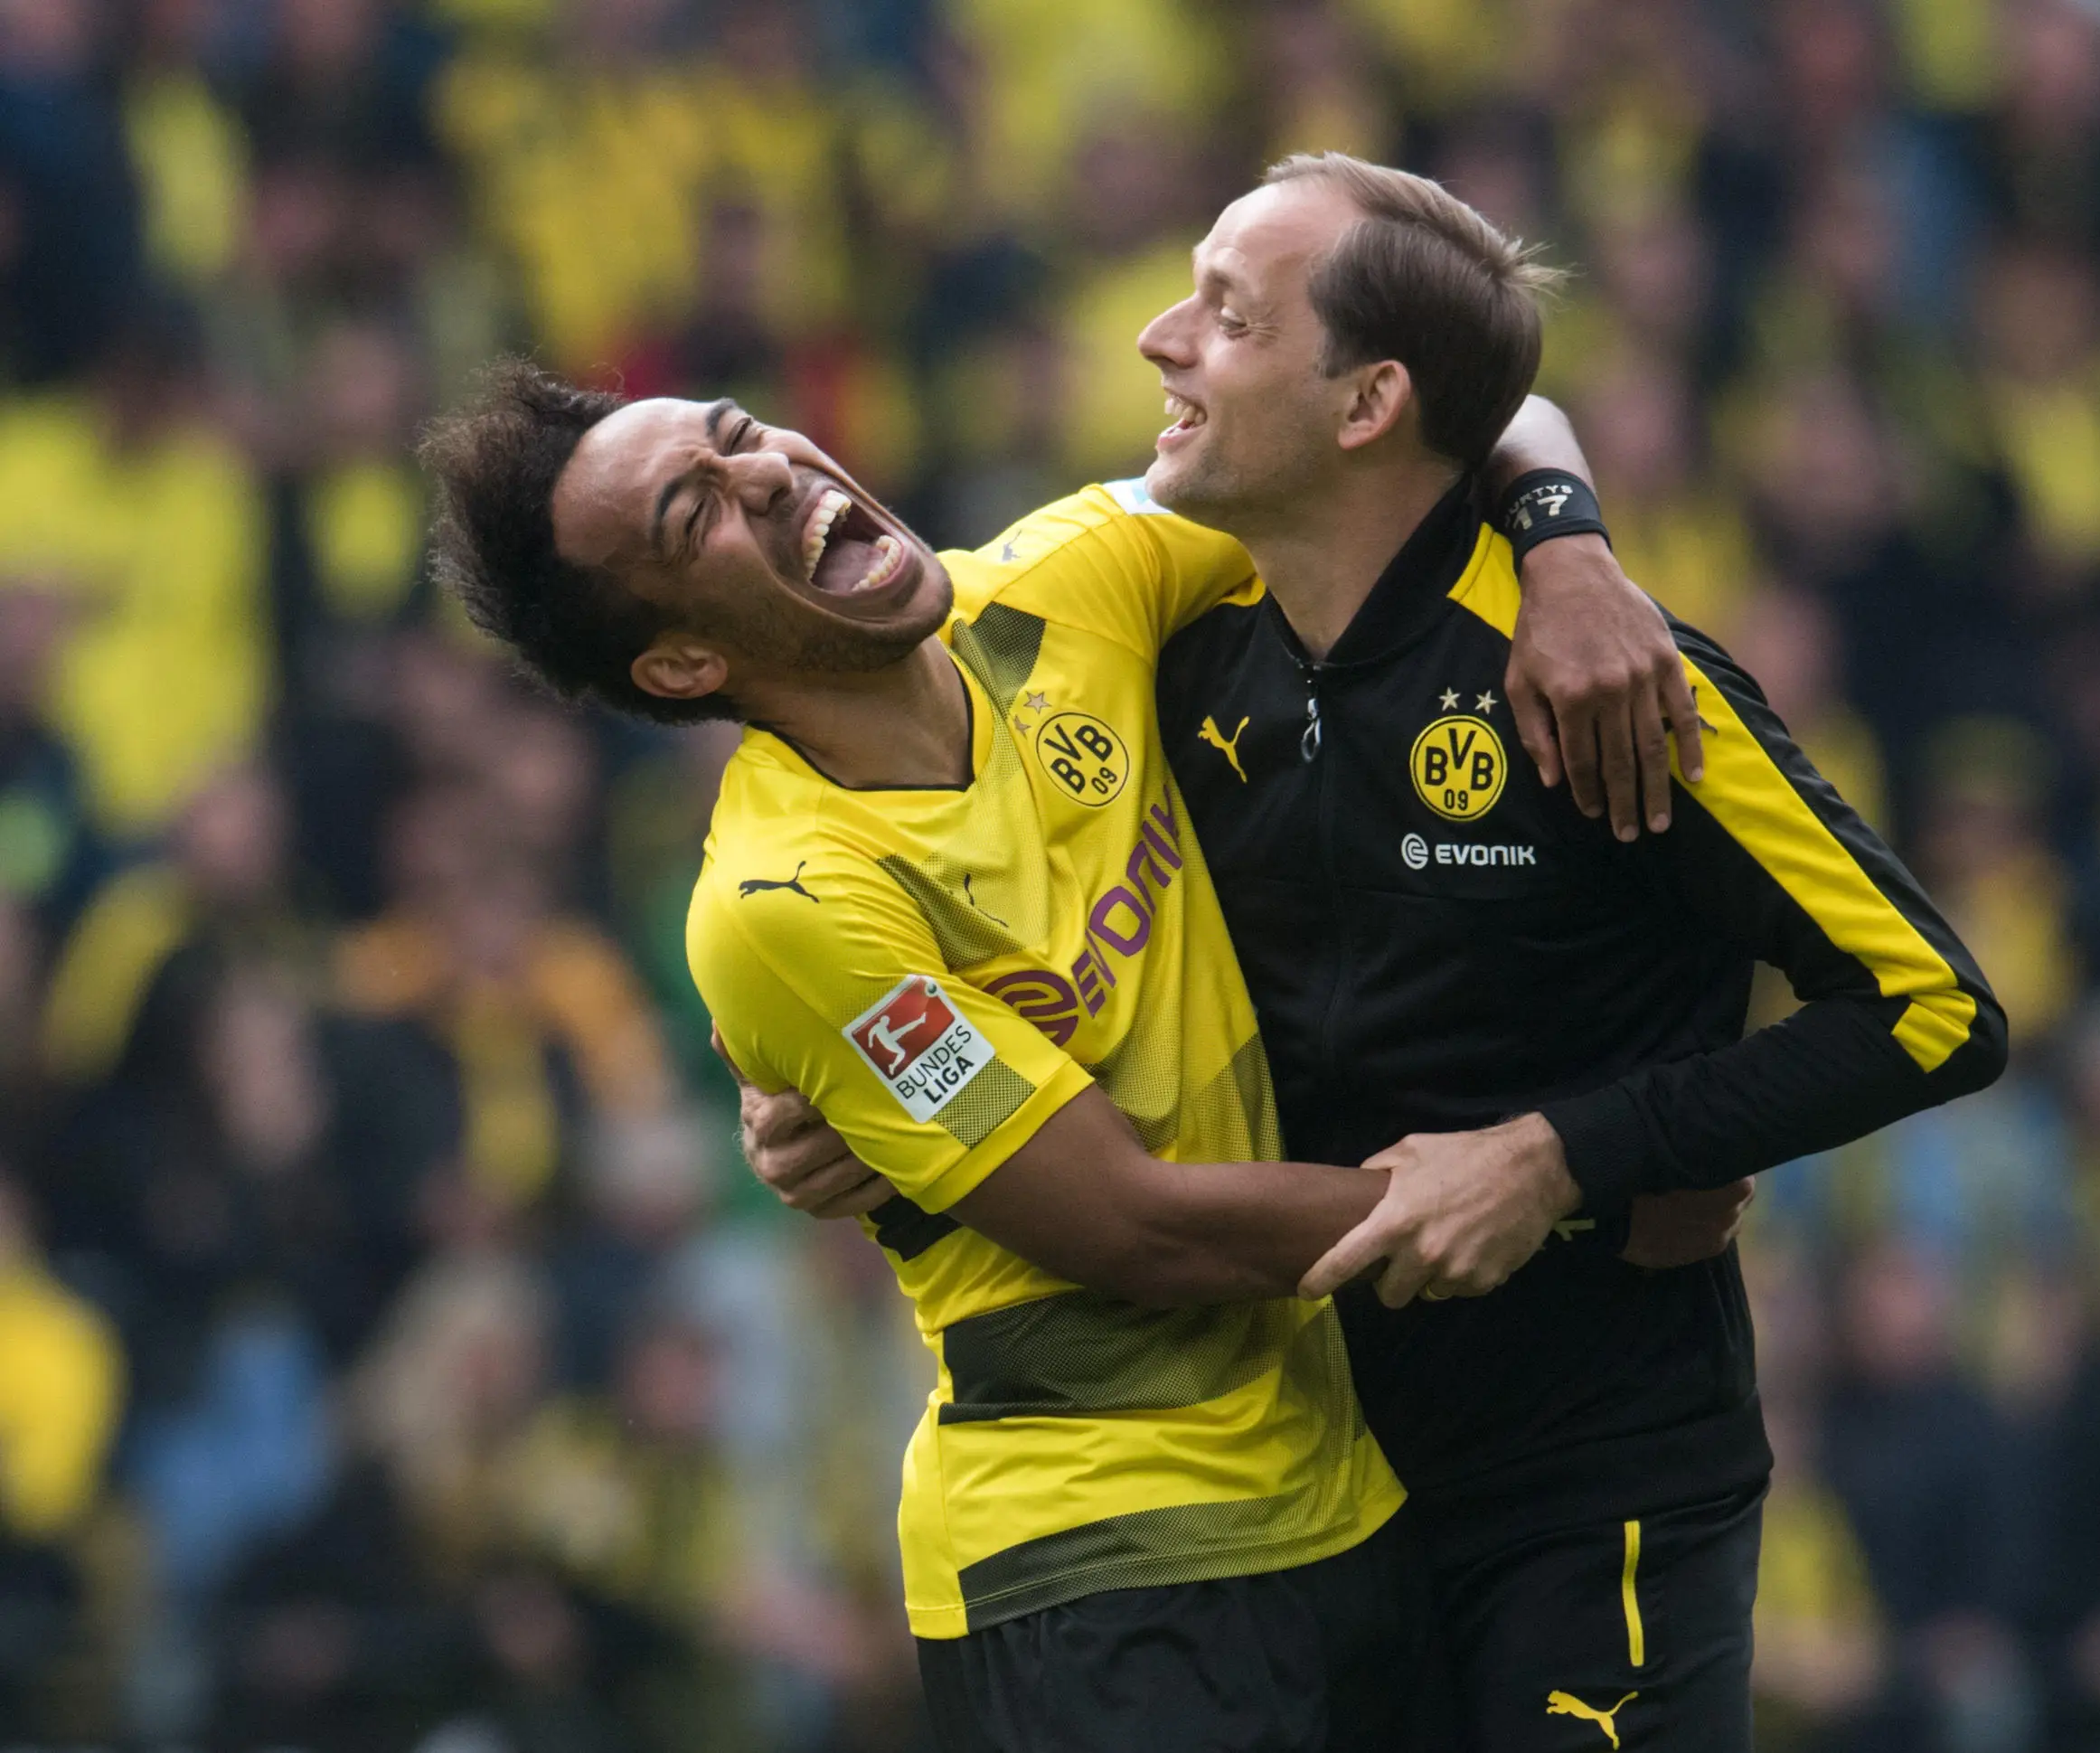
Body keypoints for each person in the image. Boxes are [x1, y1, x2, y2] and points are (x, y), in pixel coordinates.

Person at [744, 152, 2008, 1749]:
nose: (1155, 339)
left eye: (1227, 314)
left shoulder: (1601, 684)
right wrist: (829, 1084)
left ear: (1365, 406)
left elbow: (1935, 1006)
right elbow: (1022, 910)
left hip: (1595, 1486)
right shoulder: (1181, 660)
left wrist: (1567, 1156)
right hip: (1309, 1495)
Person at [417, 330, 1695, 1745]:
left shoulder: (1069, 575)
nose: (764, 473)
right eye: (695, 511)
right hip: (1100, 1570)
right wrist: (1564, 1182)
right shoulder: (788, 902)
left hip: (1345, 1493)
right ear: (681, 661)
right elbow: (1141, 1227)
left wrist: (1571, 557)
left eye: (735, 431)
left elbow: (1452, 419)